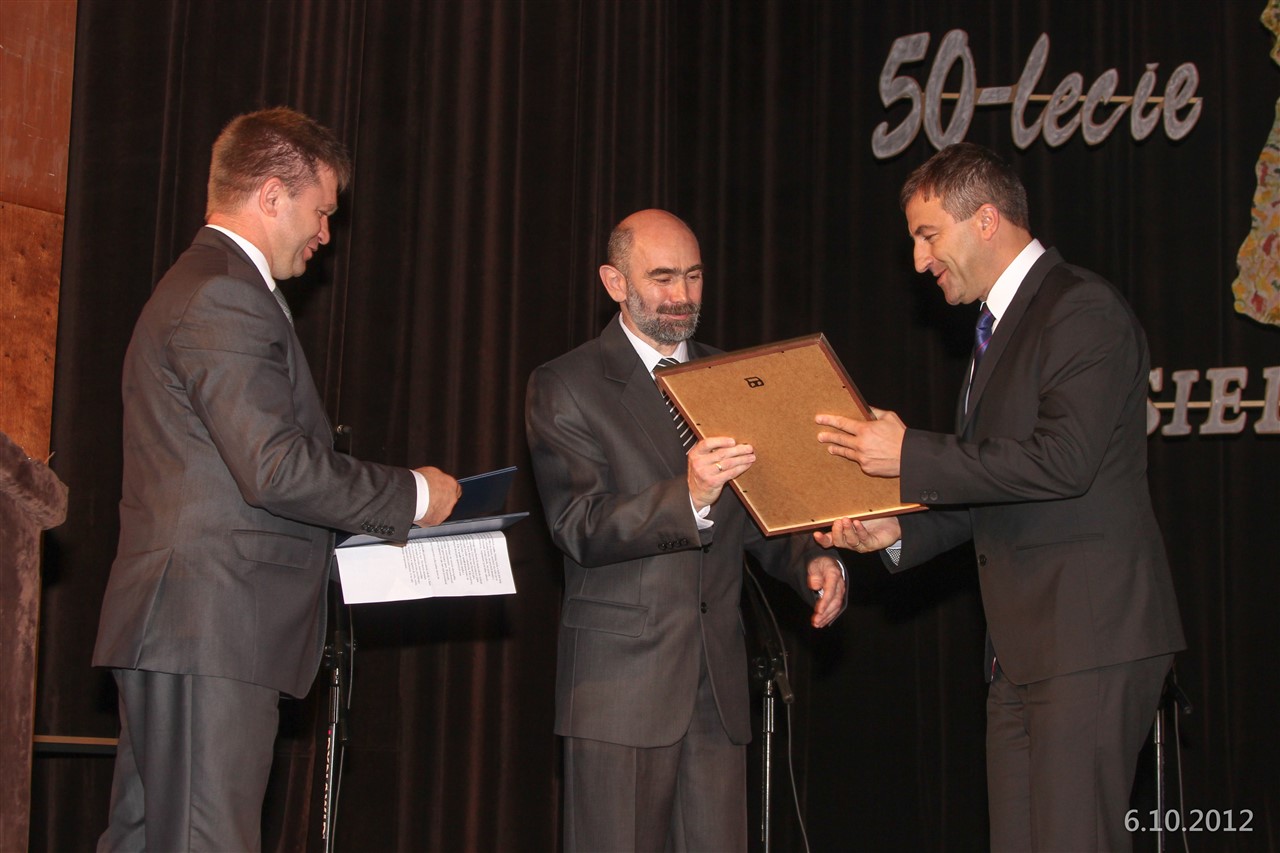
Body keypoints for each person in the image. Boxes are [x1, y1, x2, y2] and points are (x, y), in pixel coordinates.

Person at [93, 107, 460, 851]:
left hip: (189, 630)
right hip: (209, 628)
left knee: (148, 838)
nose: (326, 233)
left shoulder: (210, 285)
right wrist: (416, 496)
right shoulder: (223, 293)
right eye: (321, 212)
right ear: (270, 195)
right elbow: (276, 467)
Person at [814, 142, 1185, 852]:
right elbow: (997, 487)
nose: (919, 261)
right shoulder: (997, 327)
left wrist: (908, 453)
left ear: (985, 220)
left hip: (1086, 638)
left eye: (928, 235)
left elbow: (1064, 463)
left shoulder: (1081, 308)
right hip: (1021, 652)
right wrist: (899, 532)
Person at [526, 208, 846, 851]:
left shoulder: (732, 377)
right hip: (620, 690)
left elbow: (758, 510)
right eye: (663, 278)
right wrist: (689, 495)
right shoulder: (567, 384)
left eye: (694, 277)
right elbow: (577, 524)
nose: (683, 295)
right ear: (615, 283)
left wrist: (809, 562)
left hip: (716, 688)